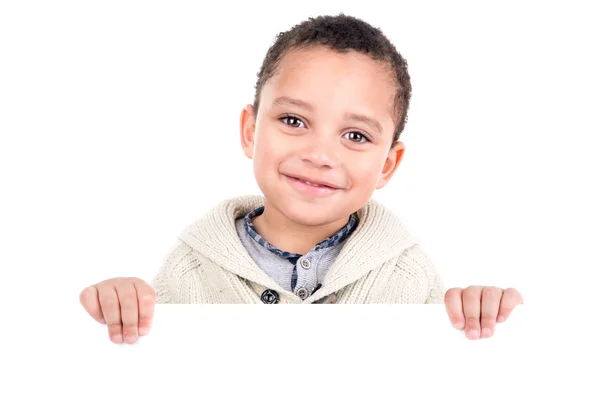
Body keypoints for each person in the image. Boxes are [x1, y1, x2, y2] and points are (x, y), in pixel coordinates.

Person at [79, 14, 523, 344]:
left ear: (388, 164)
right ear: (251, 131)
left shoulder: (407, 272)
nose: (319, 154)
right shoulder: (191, 266)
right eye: (293, 120)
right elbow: (143, 358)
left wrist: (477, 313)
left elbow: (449, 367)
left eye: (355, 135)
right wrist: (120, 303)